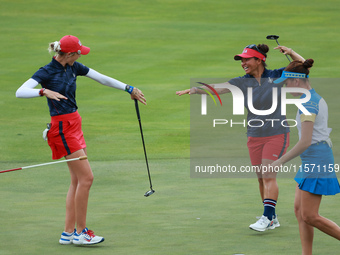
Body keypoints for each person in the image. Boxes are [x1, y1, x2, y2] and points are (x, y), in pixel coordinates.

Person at [16, 35, 146, 245]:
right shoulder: (46, 71)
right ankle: (80, 233)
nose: (80, 54)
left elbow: (101, 77)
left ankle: (68, 233)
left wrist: (129, 89)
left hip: (74, 124)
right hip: (62, 129)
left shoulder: (73, 67)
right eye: (78, 52)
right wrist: (43, 91)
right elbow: (20, 92)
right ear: (68, 54)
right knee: (87, 178)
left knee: (77, 180)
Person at [176, 43, 305, 231]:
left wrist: (291, 52)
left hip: (277, 133)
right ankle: (272, 217)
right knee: (261, 177)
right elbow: (219, 88)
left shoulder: (277, 76)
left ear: (260, 60)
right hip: (254, 135)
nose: (243, 63)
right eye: (241, 60)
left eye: (247, 59)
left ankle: (267, 217)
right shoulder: (242, 81)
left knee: (269, 174)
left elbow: (303, 66)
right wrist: (196, 90)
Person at [271, 59, 340, 255]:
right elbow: (305, 70)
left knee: (310, 216)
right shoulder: (311, 94)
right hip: (311, 160)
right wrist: (292, 54)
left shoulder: (307, 104)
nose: (285, 87)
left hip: (317, 160)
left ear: (296, 81)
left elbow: (305, 142)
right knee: (299, 211)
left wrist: (279, 162)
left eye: (286, 83)